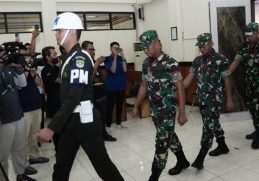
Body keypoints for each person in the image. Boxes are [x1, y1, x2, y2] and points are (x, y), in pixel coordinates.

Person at [37, 12, 124, 181]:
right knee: (61, 165)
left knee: (103, 166)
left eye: (59, 31)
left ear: (71, 31)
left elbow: (74, 97)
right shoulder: (68, 58)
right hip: (70, 120)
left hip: (85, 121)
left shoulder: (80, 58)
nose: (56, 34)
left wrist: (51, 127)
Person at [132, 30, 189, 180]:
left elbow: (180, 87)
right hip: (155, 110)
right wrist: (136, 105)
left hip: (167, 109)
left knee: (162, 142)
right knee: (169, 136)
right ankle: (183, 161)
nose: (146, 51)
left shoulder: (170, 63)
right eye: (143, 48)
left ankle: (154, 176)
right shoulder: (146, 63)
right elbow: (144, 85)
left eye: (148, 47)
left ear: (158, 43)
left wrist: (182, 112)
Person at [183, 33, 234, 170]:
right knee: (212, 123)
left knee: (208, 127)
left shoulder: (221, 60)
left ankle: (200, 158)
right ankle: (222, 145)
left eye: (204, 45)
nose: (201, 48)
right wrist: (179, 88)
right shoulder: (197, 61)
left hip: (215, 100)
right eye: (199, 46)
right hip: (203, 100)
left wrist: (229, 99)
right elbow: (189, 77)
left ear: (211, 44)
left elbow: (227, 81)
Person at [0, 53, 36, 181]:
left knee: (19, 149)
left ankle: (20, 175)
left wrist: (19, 67)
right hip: (4, 121)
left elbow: (22, 84)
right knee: (2, 155)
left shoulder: (9, 69)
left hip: (17, 115)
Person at [229, 22, 259, 149]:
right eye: (246, 36)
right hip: (249, 85)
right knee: (252, 108)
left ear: (257, 33)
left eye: (250, 36)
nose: (247, 38)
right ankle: (257, 129)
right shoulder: (245, 46)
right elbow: (236, 62)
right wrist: (225, 73)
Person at [82, 40, 117, 141]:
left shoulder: (93, 61)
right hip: (92, 97)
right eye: (91, 49)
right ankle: (95, 137)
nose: (93, 51)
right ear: (83, 50)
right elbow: (88, 79)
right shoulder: (83, 62)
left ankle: (104, 135)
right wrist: (96, 64)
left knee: (102, 118)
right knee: (94, 119)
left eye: (94, 49)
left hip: (101, 94)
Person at [41, 46, 62, 151]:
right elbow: (60, 80)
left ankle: (65, 146)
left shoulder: (55, 67)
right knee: (57, 127)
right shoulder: (46, 70)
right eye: (54, 54)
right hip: (54, 102)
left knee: (65, 125)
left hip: (62, 100)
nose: (56, 55)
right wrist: (63, 66)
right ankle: (58, 149)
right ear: (48, 57)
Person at [104, 41, 128, 130]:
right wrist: (114, 57)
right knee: (110, 107)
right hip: (111, 87)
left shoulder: (121, 58)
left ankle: (118, 124)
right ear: (110, 49)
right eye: (114, 48)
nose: (116, 49)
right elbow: (113, 70)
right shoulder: (107, 59)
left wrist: (123, 57)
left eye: (118, 48)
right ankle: (108, 126)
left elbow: (125, 70)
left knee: (119, 105)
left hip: (121, 86)